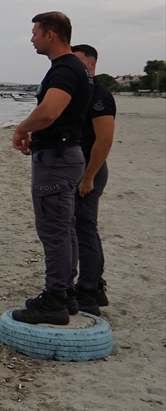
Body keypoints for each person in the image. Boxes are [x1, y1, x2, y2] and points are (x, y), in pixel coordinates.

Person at [10, 12, 93, 325]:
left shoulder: (64, 69)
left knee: (54, 230)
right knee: (65, 227)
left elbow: (49, 112)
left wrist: (21, 128)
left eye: (35, 33)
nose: (31, 38)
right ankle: (66, 293)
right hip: (67, 155)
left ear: (51, 34)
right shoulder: (77, 69)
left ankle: (55, 300)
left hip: (58, 160)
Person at [71, 44, 115, 315]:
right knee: (84, 228)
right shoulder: (82, 92)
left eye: (78, 63)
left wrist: (88, 177)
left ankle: (88, 291)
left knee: (84, 229)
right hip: (81, 169)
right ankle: (94, 285)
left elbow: (105, 140)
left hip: (92, 170)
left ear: (91, 64)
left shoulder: (99, 95)